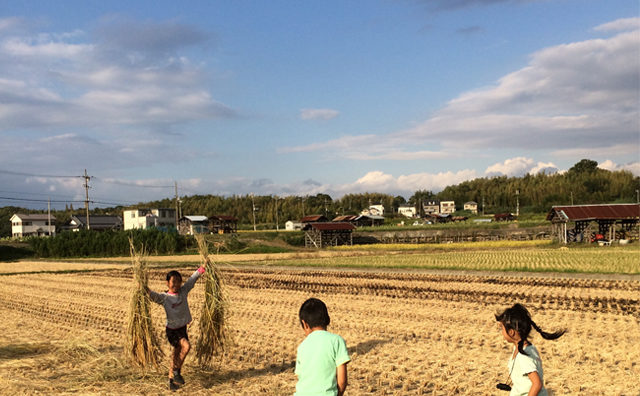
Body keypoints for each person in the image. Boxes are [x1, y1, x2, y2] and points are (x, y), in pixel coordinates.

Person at [148, 265, 205, 391]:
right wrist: (143, 288)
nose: (177, 284)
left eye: (179, 281)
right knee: (186, 346)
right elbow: (153, 296)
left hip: (182, 328)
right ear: (167, 283)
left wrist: (202, 269)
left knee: (176, 354)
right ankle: (177, 372)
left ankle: (171, 381)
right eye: (174, 281)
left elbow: (191, 280)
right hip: (172, 330)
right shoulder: (165, 297)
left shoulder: (183, 292)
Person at [495, 303, 566, 396]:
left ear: (511, 332)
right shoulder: (525, 348)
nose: (501, 332)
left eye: (502, 328)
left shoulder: (524, 355)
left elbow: (537, 384)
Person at [295, 298, 350, 396]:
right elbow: (342, 382)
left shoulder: (302, 347)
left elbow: (300, 376)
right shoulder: (337, 341)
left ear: (304, 324)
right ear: (327, 319)